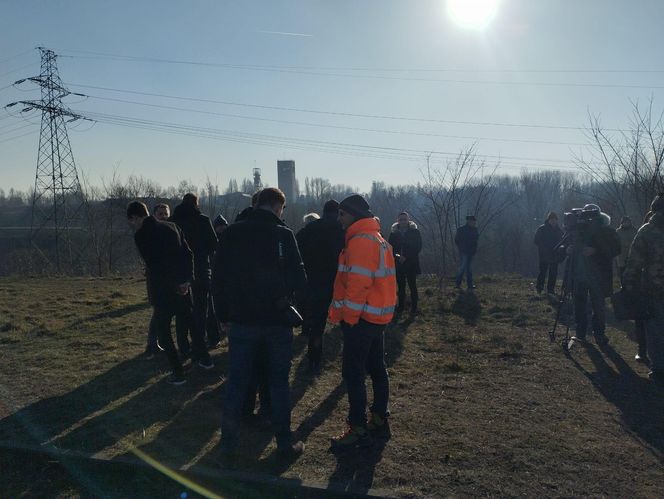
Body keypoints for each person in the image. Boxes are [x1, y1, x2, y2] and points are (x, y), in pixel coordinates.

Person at [213, 187, 306, 461]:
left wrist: (222, 315)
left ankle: (228, 444)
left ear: (256, 204)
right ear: (278, 206)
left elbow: (217, 278)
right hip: (277, 321)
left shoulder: (231, 233)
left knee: (237, 382)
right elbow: (299, 280)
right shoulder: (283, 235)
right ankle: (285, 443)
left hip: (241, 320)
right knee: (278, 382)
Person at [329, 194, 397, 450]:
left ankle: (357, 426)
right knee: (377, 366)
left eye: (342, 214)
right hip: (377, 316)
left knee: (353, 372)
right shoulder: (378, 239)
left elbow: (357, 286)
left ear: (354, 215)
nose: (339, 219)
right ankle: (379, 416)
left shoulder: (359, 242)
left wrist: (348, 319)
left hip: (361, 319)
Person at [127, 201, 192, 385]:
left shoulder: (141, 235)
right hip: (182, 285)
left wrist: (173, 284)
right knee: (189, 323)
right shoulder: (172, 226)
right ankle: (200, 361)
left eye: (132, 221)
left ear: (136, 217)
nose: (133, 224)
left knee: (164, 332)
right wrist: (185, 280)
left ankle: (178, 373)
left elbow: (156, 265)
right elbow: (186, 254)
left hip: (163, 290)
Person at [296, 200, 345, 374]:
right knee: (347, 323)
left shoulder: (309, 229)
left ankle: (314, 359)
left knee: (317, 324)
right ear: (338, 212)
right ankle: (349, 363)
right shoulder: (343, 229)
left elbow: (296, 251)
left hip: (316, 281)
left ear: (323, 211)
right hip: (341, 281)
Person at [170, 193, 216, 369]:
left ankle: (183, 346)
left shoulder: (173, 222)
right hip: (201, 270)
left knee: (182, 310)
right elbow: (213, 244)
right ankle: (199, 348)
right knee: (200, 311)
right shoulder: (203, 220)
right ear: (196, 203)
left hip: (179, 271)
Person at [624, 194, 664, 382]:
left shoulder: (647, 231)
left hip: (654, 287)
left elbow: (634, 261)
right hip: (654, 287)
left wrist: (629, 283)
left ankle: (659, 368)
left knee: (655, 328)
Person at [569, 204, 621, 347]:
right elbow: (567, 245)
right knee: (579, 304)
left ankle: (599, 333)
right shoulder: (579, 231)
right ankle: (580, 333)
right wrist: (568, 249)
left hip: (599, 275)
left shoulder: (607, 231)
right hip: (580, 274)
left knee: (598, 306)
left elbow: (616, 249)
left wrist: (596, 250)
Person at [388, 211, 422, 314]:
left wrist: (406, 256)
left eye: (404, 219)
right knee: (401, 286)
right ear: (397, 220)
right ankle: (401, 307)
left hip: (411, 262)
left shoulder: (415, 232)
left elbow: (418, 246)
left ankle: (414, 307)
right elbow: (390, 248)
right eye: (401, 219)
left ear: (408, 220)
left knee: (412, 285)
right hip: (399, 263)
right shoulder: (393, 233)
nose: (403, 221)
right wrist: (398, 256)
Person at [533, 212, 564, 295]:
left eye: (555, 220)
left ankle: (550, 290)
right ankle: (539, 288)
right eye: (552, 219)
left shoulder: (559, 231)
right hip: (544, 255)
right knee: (543, 271)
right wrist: (544, 249)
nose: (553, 221)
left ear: (557, 220)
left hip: (554, 255)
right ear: (549, 220)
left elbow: (562, 242)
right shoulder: (542, 229)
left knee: (553, 273)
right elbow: (536, 240)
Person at [454, 215, 479, 290]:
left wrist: (474, 250)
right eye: (473, 221)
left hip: (470, 252)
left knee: (468, 268)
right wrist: (461, 248)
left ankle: (467, 285)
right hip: (464, 252)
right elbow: (457, 240)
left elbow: (475, 241)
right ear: (469, 221)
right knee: (463, 268)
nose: (474, 222)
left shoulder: (475, 230)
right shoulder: (461, 229)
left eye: (474, 221)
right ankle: (460, 284)